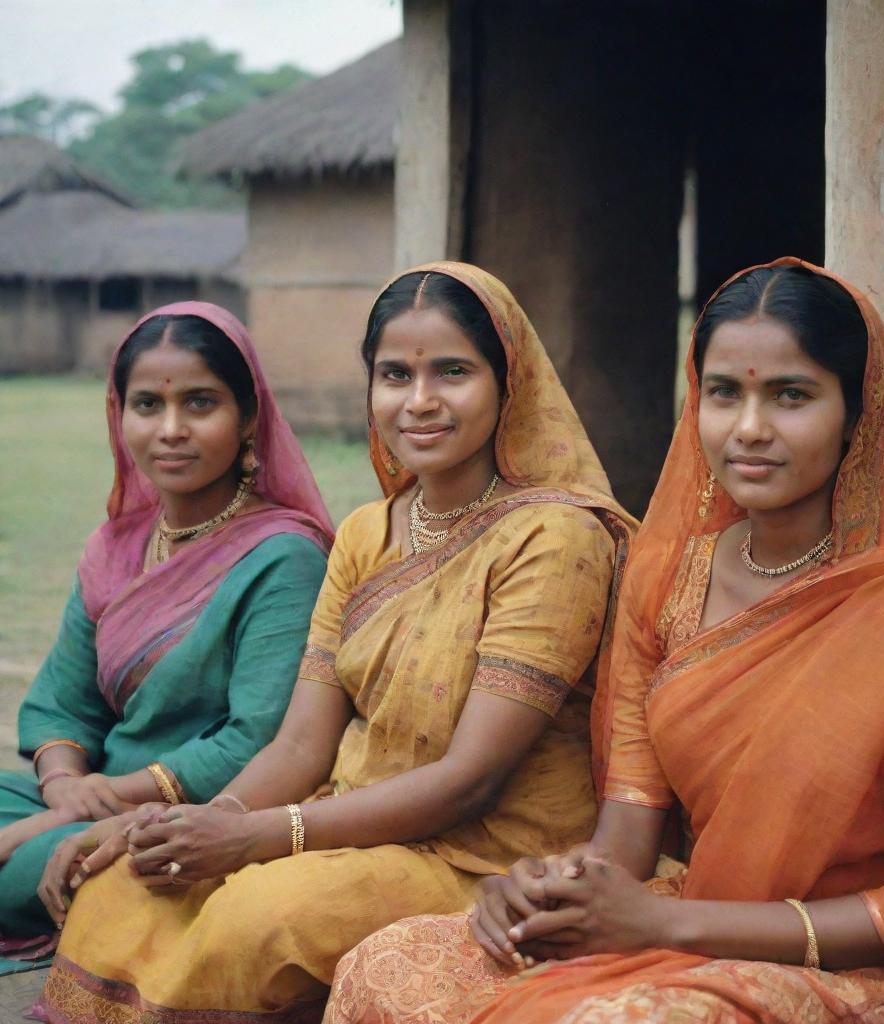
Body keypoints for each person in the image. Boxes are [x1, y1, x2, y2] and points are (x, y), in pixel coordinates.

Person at [325, 258, 884, 1024]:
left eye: (791, 395)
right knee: (385, 964)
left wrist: (669, 924)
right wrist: (538, 889)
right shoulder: (664, 585)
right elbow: (624, 839)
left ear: (858, 413)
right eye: (724, 393)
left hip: (863, 963)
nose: (749, 428)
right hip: (691, 922)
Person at [38, 263, 635, 1023]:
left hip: (480, 853)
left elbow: (469, 779)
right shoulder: (364, 533)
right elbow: (299, 749)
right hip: (346, 822)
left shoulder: (556, 537)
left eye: (452, 372)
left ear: (507, 382)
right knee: (125, 888)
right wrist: (197, 823)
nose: (419, 402)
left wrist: (259, 836)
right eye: (395, 375)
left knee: (257, 918)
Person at [0, 302, 332, 971]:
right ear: (119, 416)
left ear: (247, 419)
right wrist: (64, 787)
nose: (171, 430)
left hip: (193, 817)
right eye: (148, 404)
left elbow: (255, 737)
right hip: (90, 796)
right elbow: (64, 704)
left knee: (39, 864)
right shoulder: (118, 545)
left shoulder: (283, 557)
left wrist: (99, 805)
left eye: (200, 403)